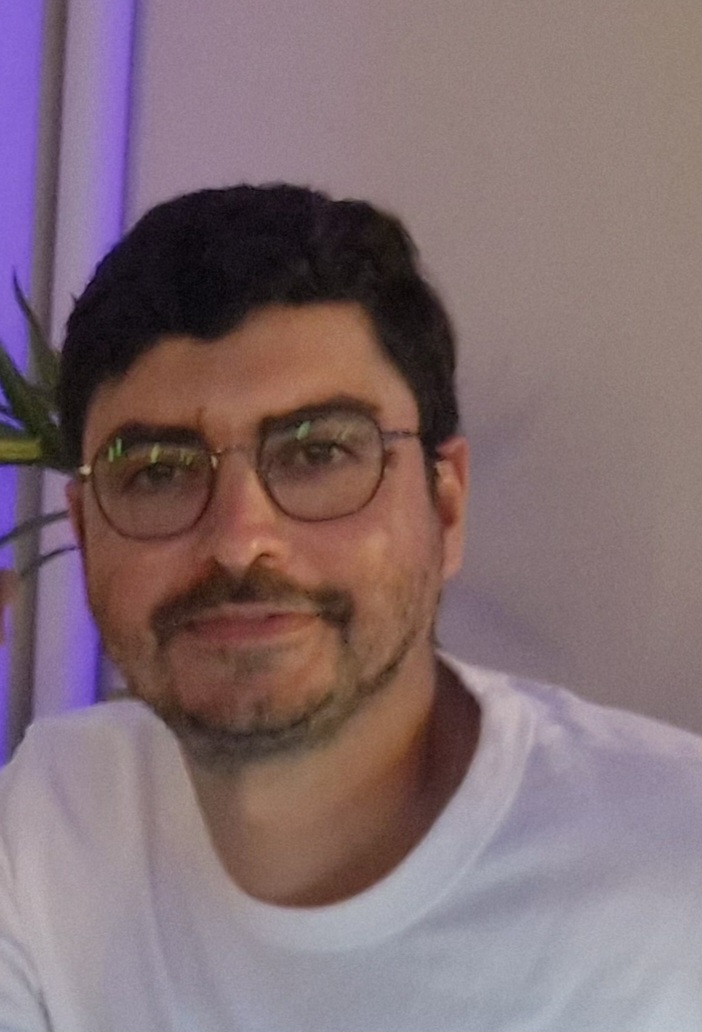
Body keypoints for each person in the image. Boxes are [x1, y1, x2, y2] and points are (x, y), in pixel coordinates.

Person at [0, 184, 700, 1032]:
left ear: (446, 508)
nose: (239, 540)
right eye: (156, 473)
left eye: (319, 453)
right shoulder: (52, 821)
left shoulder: (677, 874)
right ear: (85, 530)